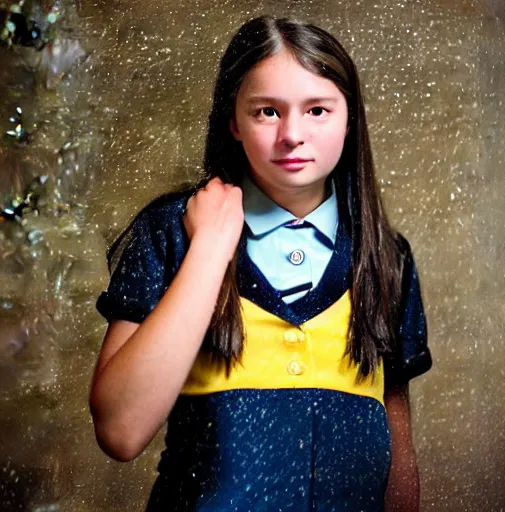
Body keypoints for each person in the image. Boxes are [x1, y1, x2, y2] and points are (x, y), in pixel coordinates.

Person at [89, 15, 432, 512]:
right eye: (267, 112)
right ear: (233, 120)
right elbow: (120, 431)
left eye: (317, 110)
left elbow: (397, 445)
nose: (292, 135)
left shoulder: (386, 255)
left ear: (350, 117)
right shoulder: (172, 230)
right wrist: (209, 248)